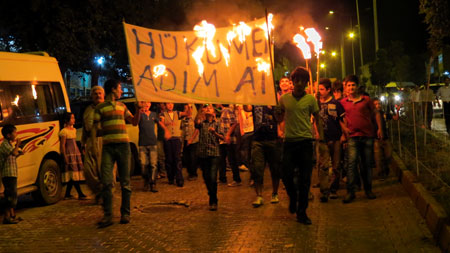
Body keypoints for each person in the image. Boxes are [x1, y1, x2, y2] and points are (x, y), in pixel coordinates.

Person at [278, 66, 322, 225]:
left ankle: (302, 212)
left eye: (302, 81)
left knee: (305, 179)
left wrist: (321, 139)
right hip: (289, 142)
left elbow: (317, 118)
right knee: (286, 174)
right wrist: (275, 112)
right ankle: (293, 197)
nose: (299, 83)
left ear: (306, 83)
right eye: (296, 80)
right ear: (292, 81)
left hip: (305, 142)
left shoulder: (311, 99)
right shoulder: (284, 99)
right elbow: (278, 118)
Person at [94, 79, 141, 228]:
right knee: (107, 182)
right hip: (108, 147)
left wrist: (138, 109)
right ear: (113, 89)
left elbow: (134, 122)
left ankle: (125, 213)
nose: (121, 91)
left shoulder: (122, 106)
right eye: (120, 88)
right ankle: (108, 216)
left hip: (123, 146)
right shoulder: (100, 108)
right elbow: (96, 128)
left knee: (125, 183)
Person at [340, 75, 382, 204]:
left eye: (353, 85)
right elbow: (340, 118)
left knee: (366, 165)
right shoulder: (343, 102)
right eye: (349, 85)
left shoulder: (366, 100)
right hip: (352, 137)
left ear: (357, 86)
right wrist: (344, 130)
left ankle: (368, 190)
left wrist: (380, 128)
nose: (351, 87)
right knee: (351, 165)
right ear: (345, 87)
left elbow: (376, 113)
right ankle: (350, 192)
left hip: (367, 136)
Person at [316, 78, 346, 202]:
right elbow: (314, 120)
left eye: (322, 89)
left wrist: (344, 135)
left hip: (336, 138)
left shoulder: (336, 104)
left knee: (335, 165)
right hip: (322, 140)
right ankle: (324, 191)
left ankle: (333, 189)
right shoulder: (316, 104)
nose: (320, 91)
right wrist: (317, 133)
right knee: (323, 166)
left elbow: (342, 120)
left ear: (329, 90)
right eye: (319, 89)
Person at [250, 105, 281, 207]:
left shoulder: (274, 100)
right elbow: (247, 108)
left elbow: (280, 117)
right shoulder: (255, 101)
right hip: (257, 140)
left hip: (272, 139)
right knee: (257, 168)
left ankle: (275, 193)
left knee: (275, 168)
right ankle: (259, 196)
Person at [194, 104, 224, 211]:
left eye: (210, 108)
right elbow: (196, 122)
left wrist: (214, 132)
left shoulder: (217, 123)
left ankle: (213, 200)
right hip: (203, 153)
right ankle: (211, 191)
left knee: (213, 177)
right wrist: (201, 108)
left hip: (214, 153)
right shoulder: (201, 123)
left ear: (213, 113)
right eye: (206, 108)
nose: (208, 109)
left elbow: (222, 137)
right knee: (206, 177)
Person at [82, 86, 105, 204]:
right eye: (95, 93)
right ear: (92, 96)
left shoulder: (107, 108)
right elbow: (85, 128)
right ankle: (98, 191)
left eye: (100, 93)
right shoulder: (88, 110)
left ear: (104, 95)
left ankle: (105, 195)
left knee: (104, 170)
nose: (98, 95)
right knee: (88, 170)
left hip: (104, 140)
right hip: (91, 141)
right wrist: (83, 143)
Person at [160, 103, 191, 187]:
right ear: (165, 105)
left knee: (177, 158)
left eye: (171, 104)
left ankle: (179, 179)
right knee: (169, 159)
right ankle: (170, 177)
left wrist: (189, 106)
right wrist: (166, 130)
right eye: (168, 104)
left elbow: (188, 114)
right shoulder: (163, 114)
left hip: (176, 138)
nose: (170, 105)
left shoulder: (177, 113)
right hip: (168, 139)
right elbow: (161, 122)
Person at [60, 112, 87, 200]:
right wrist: (64, 156)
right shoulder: (64, 131)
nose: (74, 120)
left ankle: (67, 193)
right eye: (72, 118)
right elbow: (63, 145)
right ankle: (80, 193)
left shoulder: (74, 130)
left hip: (75, 152)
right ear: (67, 120)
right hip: (69, 153)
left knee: (73, 174)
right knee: (73, 173)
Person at [0, 124, 23, 224]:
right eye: (14, 132)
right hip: (8, 174)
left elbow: (12, 156)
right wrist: (17, 145)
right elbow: (13, 153)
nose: (16, 134)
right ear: (8, 135)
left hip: (12, 173)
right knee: (10, 196)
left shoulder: (8, 144)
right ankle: (6, 217)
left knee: (12, 195)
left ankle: (12, 216)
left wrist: (19, 152)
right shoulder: (4, 144)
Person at [138, 101, 161, 192]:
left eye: (148, 102)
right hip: (142, 143)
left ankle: (153, 183)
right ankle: (146, 180)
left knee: (153, 164)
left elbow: (160, 122)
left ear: (150, 104)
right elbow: (134, 121)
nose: (147, 104)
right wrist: (139, 112)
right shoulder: (140, 114)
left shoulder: (153, 114)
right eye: (144, 102)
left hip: (153, 143)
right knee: (143, 164)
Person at [217, 104, 241, 186]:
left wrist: (227, 135)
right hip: (223, 139)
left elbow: (234, 123)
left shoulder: (227, 110)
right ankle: (222, 178)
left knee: (231, 160)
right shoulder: (223, 111)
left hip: (229, 139)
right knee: (221, 159)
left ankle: (237, 179)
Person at [373, 98, 398, 180]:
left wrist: (397, 110)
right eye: (376, 104)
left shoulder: (384, 114)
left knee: (388, 155)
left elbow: (395, 118)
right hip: (376, 139)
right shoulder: (371, 116)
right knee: (378, 158)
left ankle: (386, 168)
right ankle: (381, 174)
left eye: (379, 103)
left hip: (385, 138)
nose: (378, 105)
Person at [182, 104, 199, 181]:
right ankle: (190, 173)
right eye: (186, 109)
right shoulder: (183, 119)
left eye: (189, 108)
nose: (188, 110)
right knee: (186, 158)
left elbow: (197, 129)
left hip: (194, 141)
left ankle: (194, 174)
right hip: (186, 140)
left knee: (193, 158)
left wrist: (191, 139)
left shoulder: (194, 119)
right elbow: (182, 130)